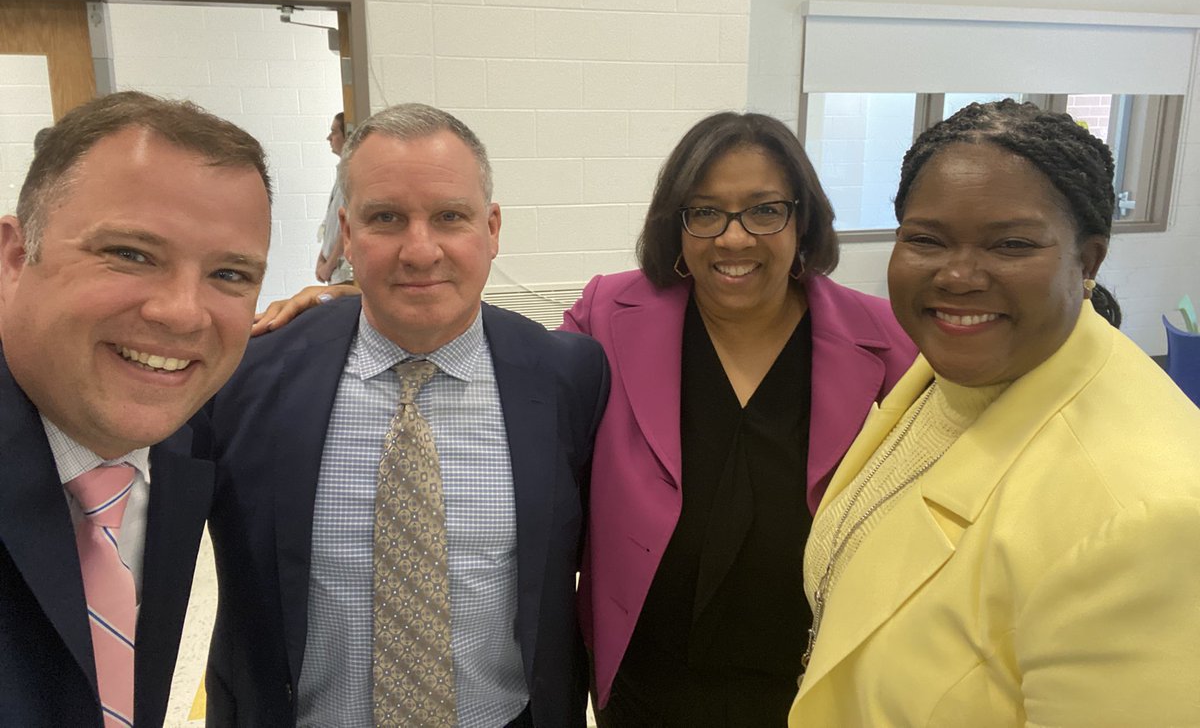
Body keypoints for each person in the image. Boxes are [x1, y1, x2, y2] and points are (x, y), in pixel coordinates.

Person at [192, 103, 610, 727]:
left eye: (450, 217)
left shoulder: (569, 376)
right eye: (386, 218)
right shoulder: (247, 377)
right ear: (348, 234)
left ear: (492, 228)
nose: (420, 251)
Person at [790, 100, 1200, 726]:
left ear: (1088, 260)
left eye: (1010, 244)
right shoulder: (947, 373)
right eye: (926, 239)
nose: (957, 275)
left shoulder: (1149, 518)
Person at [564, 112, 917, 726]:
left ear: (802, 218)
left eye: (763, 210)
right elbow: (533, 436)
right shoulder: (606, 317)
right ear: (675, 225)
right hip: (647, 685)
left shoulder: (888, 341)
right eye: (705, 212)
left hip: (814, 686)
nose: (733, 238)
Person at [0, 91, 272, 727]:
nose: (181, 312)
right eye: (130, 254)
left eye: (230, 275)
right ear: (15, 258)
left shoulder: (177, 446)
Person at [315, 111, 354, 285]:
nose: (329, 138)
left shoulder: (353, 177)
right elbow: (332, 224)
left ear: (348, 136)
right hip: (334, 271)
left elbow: (349, 224)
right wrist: (322, 257)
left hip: (344, 273)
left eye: (334, 132)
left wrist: (328, 265)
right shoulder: (342, 174)